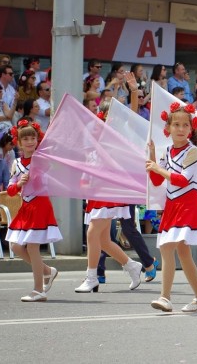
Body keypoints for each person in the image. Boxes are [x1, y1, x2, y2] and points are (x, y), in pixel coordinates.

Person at [75, 103, 143, 293]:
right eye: (103, 114)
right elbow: (90, 160)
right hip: (95, 190)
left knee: (92, 232)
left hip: (108, 190)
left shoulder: (116, 135)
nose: (104, 119)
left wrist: (134, 92)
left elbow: (132, 117)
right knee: (103, 240)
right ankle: (131, 265)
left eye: (108, 115)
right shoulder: (94, 134)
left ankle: (91, 277)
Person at [146, 102, 197, 312]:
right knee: (182, 251)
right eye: (176, 125)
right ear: (168, 128)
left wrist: (157, 168)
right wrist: (152, 156)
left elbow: (182, 180)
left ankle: (165, 297)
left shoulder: (192, 151)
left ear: (191, 129)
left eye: (185, 125)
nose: (181, 129)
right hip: (172, 204)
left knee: (168, 247)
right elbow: (156, 181)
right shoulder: (167, 152)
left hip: (188, 203)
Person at [5, 120, 62, 302]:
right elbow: (10, 189)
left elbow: (48, 183)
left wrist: (36, 175)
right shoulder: (16, 163)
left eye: (33, 138)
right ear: (19, 143)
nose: (30, 141)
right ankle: (47, 271)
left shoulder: (43, 160)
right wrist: (19, 184)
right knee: (15, 246)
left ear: (38, 139)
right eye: (26, 139)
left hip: (40, 204)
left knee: (32, 246)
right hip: (26, 207)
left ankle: (39, 290)